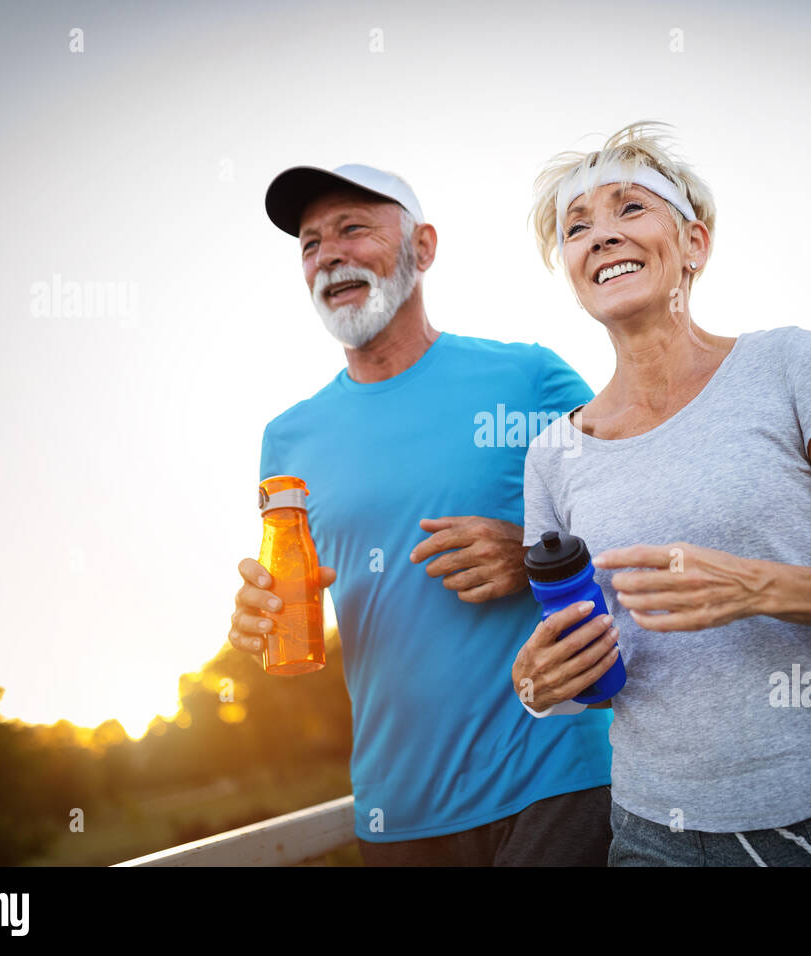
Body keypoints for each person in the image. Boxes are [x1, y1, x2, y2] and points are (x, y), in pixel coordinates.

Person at [511, 122, 811, 866]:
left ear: (694, 245)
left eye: (630, 209)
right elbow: (594, 666)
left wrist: (754, 586)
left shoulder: (789, 366)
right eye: (576, 226)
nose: (602, 236)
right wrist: (541, 681)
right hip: (656, 832)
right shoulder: (551, 456)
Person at [230, 163, 613, 865]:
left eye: (353, 229)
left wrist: (530, 554)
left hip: (558, 778)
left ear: (424, 247)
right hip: (397, 809)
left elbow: (647, 509)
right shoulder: (288, 440)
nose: (330, 255)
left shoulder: (526, 377)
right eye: (311, 244)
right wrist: (255, 620)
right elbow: (298, 602)